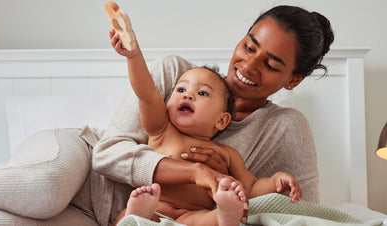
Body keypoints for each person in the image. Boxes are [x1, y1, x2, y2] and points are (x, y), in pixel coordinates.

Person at [0, 5, 333, 226]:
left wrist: (255, 193)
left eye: (272, 64)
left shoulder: (285, 129)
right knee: (41, 190)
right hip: (79, 161)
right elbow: (109, 155)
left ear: (292, 81)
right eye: (249, 45)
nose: (248, 65)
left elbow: (301, 216)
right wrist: (194, 171)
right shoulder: (178, 74)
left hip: (115, 219)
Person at [110, 29, 302, 225]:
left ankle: (225, 215)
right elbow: (146, 93)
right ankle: (137, 216)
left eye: (202, 93)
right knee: (124, 217)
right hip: (156, 206)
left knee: (209, 219)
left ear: (221, 121)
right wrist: (133, 56)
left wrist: (275, 182)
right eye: (181, 89)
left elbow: (251, 188)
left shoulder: (227, 154)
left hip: (191, 216)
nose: (188, 95)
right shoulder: (161, 129)